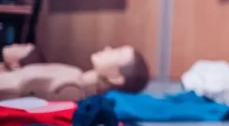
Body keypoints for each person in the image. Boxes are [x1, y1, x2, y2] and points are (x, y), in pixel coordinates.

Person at [0, 45, 149, 101]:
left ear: (116, 78)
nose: (108, 48)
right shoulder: (74, 74)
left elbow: (15, 88)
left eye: (116, 53)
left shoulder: (72, 88)